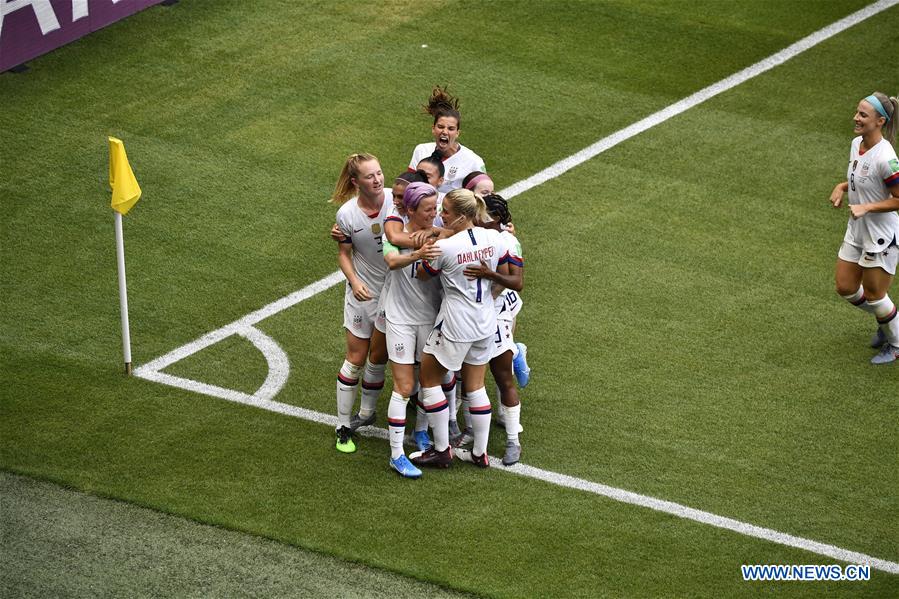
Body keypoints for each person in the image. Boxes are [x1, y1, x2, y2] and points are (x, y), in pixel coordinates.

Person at [410, 189, 512, 469]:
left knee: (429, 380)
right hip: (485, 320)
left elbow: (422, 274)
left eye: (446, 212)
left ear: (462, 216)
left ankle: (442, 450)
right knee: (476, 385)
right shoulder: (494, 238)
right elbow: (505, 273)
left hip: (455, 322)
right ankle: (480, 452)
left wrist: (426, 250)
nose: (441, 215)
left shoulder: (446, 249)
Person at [830, 92, 899, 364]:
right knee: (845, 287)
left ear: (880, 121)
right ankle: (887, 320)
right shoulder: (856, 143)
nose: (855, 118)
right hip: (857, 228)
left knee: (874, 294)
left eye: (862, 115)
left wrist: (867, 208)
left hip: (880, 236)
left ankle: (895, 343)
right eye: (857, 112)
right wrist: (842, 186)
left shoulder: (887, 158)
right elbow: (861, 177)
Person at [331, 153, 392, 452]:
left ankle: (367, 413)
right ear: (356, 182)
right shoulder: (346, 215)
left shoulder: (398, 201)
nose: (378, 179)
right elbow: (344, 253)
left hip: (394, 295)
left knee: (378, 358)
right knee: (355, 359)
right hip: (362, 295)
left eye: (379, 173)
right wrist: (355, 282)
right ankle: (343, 425)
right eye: (370, 176)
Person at [381, 183, 443, 478]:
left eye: (435, 208)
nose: (434, 213)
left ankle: (420, 432)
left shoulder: (439, 229)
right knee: (405, 386)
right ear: (411, 211)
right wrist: (418, 252)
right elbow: (392, 261)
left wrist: (432, 233)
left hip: (431, 317)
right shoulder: (394, 233)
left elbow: (454, 234)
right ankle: (396, 455)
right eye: (428, 209)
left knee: (427, 381)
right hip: (401, 319)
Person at [460, 193, 526, 466]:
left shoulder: (508, 242)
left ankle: (513, 440)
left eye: (482, 214)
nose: (477, 217)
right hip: (474, 314)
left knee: (502, 376)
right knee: (468, 379)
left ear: (496, 219)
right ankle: (470, 431)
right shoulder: (472, 234)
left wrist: (490, 277)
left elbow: (516, 281)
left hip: (497, 315)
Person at [409, 86, 485, 193]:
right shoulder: (421, 151)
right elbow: (409, 185)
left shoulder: (474, 162)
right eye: (440, 127)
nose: (445, 132)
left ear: (457, 133)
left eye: (451, 128)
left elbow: (484, 195)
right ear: (433, 129)